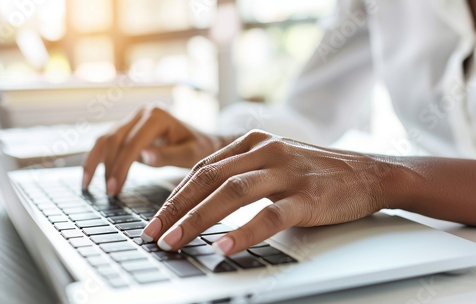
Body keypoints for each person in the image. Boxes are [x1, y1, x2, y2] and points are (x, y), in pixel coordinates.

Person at [82, 0, 476, 256]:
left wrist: (382, 178)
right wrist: (222, 144)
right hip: (441, 248)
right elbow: (311, 111)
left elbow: (386, 176)